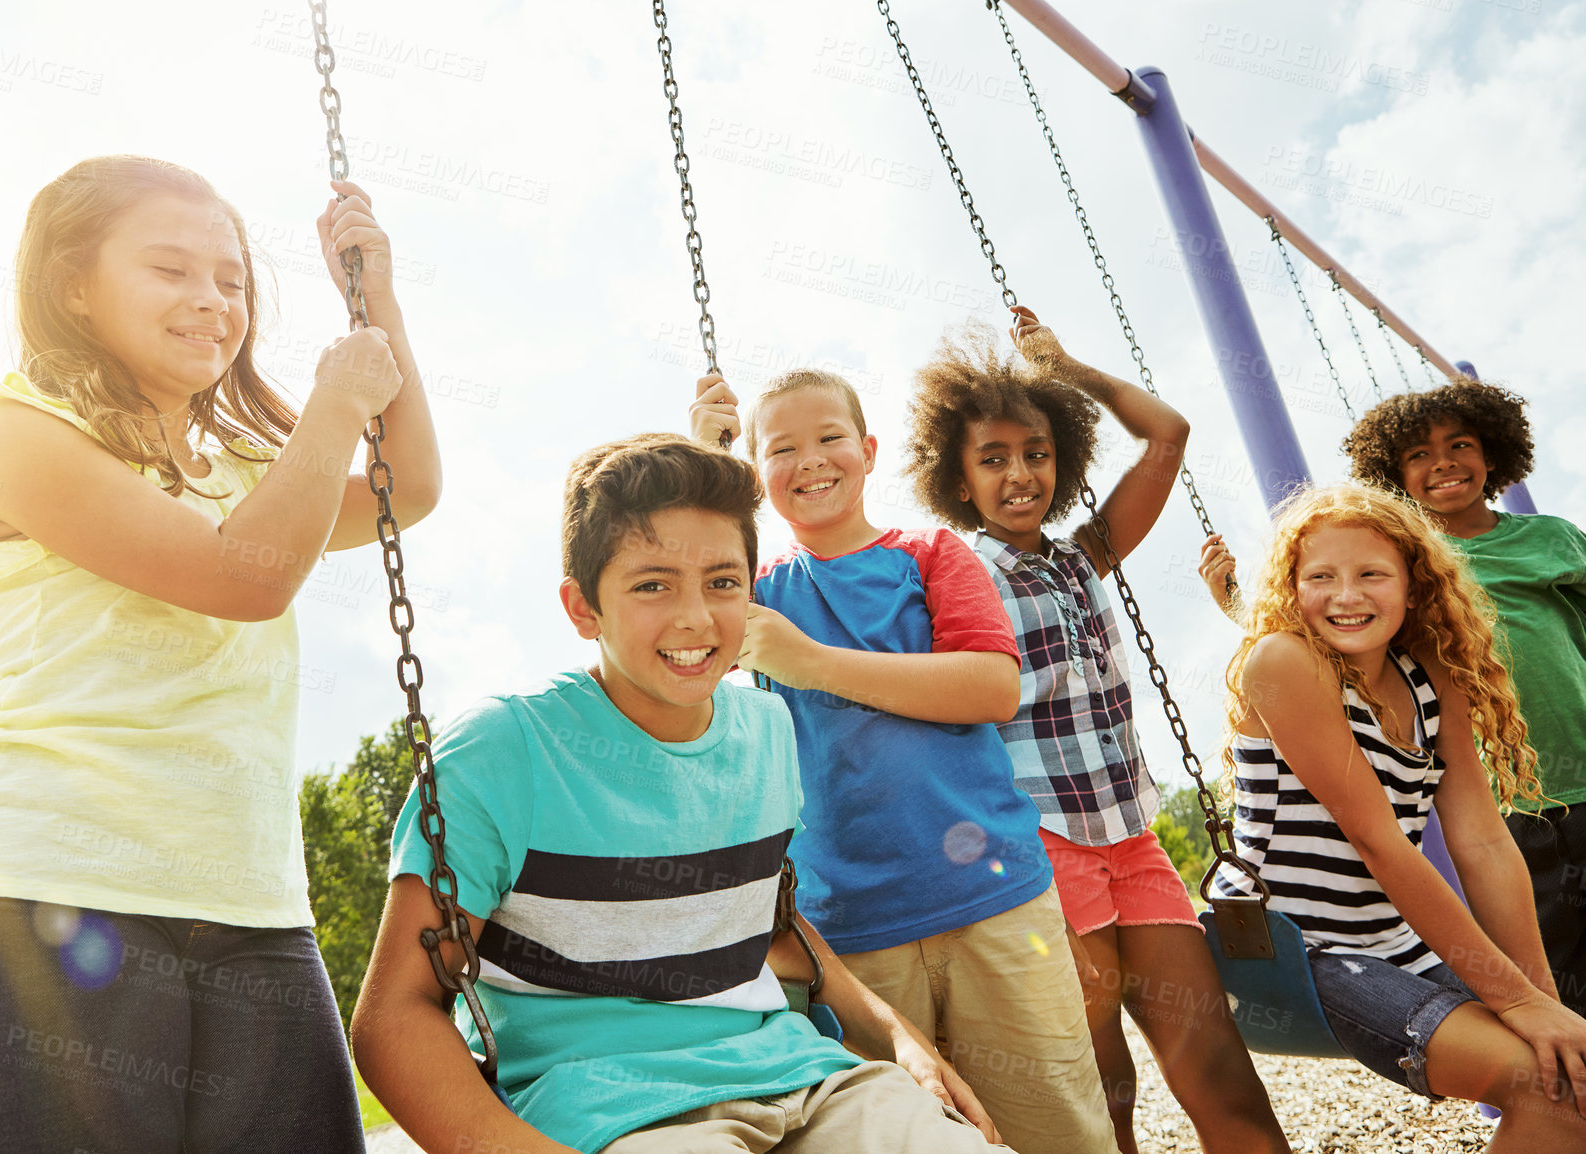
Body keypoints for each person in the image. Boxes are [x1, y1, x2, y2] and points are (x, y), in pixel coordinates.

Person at [0, 155, 431, 1152]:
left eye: (231, 279)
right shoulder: (11, 435)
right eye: (171, 269)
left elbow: (412, 486)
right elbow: (245, 576)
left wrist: (376, 296)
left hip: (251, 913)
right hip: (37, 905)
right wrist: (333, 403)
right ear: (72, 285)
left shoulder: (244, 470)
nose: (212, 301)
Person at [352, 433, 1007, 1154]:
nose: (696, 617)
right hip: (613, 1108)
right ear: (582, 608)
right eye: (652, 584)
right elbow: (395, 1016)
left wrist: (897, 1039)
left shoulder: (764, 727)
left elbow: (771, 923)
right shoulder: (502, 750)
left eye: (723, 582)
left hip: (803, 1078)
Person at [691, 369, 1118, 1154]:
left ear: (869, 451)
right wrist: (704, 457)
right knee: (895, 1133)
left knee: (1056, 1122)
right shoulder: (754, 590)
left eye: (830, 438)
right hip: (850, 927)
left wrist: (811, 662)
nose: (811, 460)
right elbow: (686, 624)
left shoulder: (929, 553)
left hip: (996, 897)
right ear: (758, 475)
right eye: (781, 448)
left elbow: (990, 686)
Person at [901, 310, 1287, 1154]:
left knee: (1219, 1066)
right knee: (1101, 1086)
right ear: (959, 479)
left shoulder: (1083, 556)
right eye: (993, 459)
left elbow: (1168, 435)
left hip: (1132, 838)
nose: (1019, 475)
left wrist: (1068, 366)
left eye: (1037, 453)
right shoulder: (951, 575)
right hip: (1039, 844)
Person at [1209, 482, 1586, 1149]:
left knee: (1571, 1079)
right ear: (1292, 589)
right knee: (1539, 1083)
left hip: (1393, 943)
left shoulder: (1428, 676)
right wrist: (1520, 1006)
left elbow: (1482, 840)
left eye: (1371, 575)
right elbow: (1379, 841)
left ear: (1413, 589)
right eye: (1320, 576)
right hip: (1293, 946)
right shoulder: (1284, 660)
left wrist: (1543, 999)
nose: (1346, 596)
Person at [1341, 379, 1586, 1017]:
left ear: (1494, 453)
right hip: (1509, 809)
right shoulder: (1407, 568)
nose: (1443, 461)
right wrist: (1232, 601)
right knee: (1556, 977)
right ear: (1393, 475)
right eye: (1418, 454)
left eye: (1461, 444)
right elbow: (1340, 632)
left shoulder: (1551, 539)